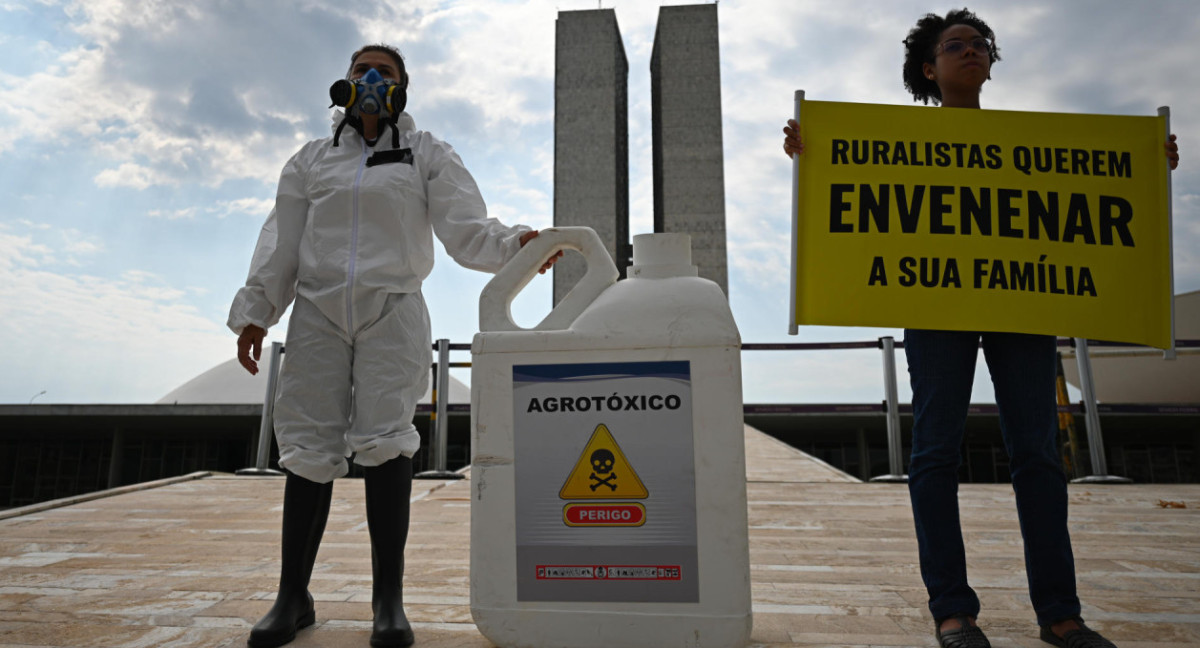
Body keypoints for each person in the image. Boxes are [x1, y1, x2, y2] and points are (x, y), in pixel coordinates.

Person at [782, 9, 1179, 648]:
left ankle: (1060, 612)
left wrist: (1146, 164)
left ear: (991, 63)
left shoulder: (1033, 146)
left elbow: (1113, 184)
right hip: (937, 313)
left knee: (1038, 455)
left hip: (1022, 309)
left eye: (981, 45)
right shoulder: (896, 139)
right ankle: (953, 611)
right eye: (956, 45)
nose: (972, 52)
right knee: (935, 452)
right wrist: (812, 149)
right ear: (928, 69)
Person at [229, 44, 560, 648]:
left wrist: (519, 246)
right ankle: (292, 596)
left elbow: (465, 227)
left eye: (385, 71)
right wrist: (256, 314)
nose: (373, 78)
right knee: (306, 445)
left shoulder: (426, 153)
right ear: (344, 85)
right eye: (362, 70)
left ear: (403, 87)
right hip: (319, 312)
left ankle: (388, 602)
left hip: (393, 309)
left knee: (385, 445)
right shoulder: (310, 161)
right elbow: (280, 241)